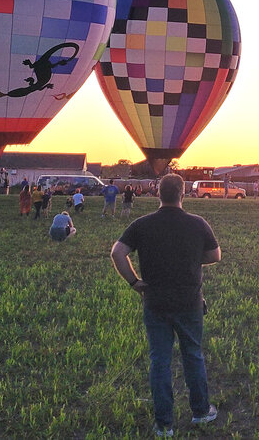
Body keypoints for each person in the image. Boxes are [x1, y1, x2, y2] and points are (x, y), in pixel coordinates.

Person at [110, 174, 220, 437]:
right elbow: (215, 255)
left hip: (155, 301)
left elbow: (117, 252)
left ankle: (164, 424)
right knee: (192, 355)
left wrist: (134, 282)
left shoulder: (142, 224)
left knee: (159, 359)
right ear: (183, 194)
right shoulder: (198, 223)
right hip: (189, 302)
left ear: (158, 193)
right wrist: (192, 260)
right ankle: (201, 412)